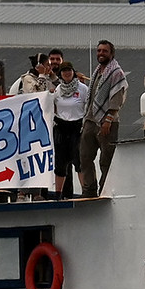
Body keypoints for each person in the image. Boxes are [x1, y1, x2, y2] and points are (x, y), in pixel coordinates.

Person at [79, 40, 127, 195]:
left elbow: (117, 98)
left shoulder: (116, 73)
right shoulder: (97, 72)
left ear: (111, 53)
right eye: (99, 50)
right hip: (90, 120)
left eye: (104, 51)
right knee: (85, 157)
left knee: (106, 160)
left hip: (107, 122)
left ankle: (105, 189)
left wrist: (108, 119)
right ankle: (89, 189)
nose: (101, 53)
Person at [50, 62, 87, 198]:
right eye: (64, 71)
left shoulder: (82, 89)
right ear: (60, 74)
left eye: (69, 70)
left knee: (78, 160)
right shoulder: (57, 90)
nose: (66, 73)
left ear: (73, 72)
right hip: (61, 127)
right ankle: (58, 194)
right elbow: (50, 107)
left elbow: (88, 108)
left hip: (76, 127)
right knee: (60, 162)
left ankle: (85, 191)